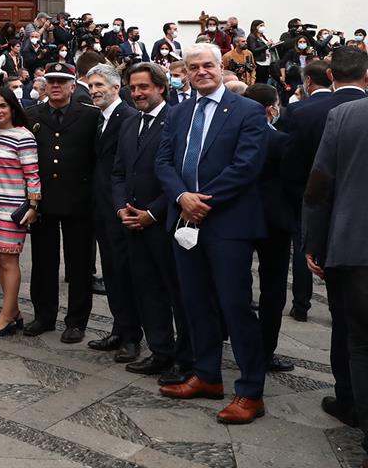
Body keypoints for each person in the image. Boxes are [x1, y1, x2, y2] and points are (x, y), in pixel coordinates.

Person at [155, 43, 269, 424]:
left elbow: (247, 165)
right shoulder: (179, 111)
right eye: (193, 67)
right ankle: (206, 376)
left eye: (208, 65)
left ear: (221, 68)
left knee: (234, 307)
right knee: (195, 302)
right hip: (185, 221)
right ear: (184, 73)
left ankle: (251, 391)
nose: (201, 72)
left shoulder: (247, 110)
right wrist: (182, 196)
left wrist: (204, 201)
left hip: (228, 224)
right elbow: (164, 161)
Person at [111, 62, 193, 385]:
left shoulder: (178, 121)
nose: (138, 93)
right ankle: (160, 350)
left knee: (177, 293)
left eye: (144, 87)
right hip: (132, 222)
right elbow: (118, 172)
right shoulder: (130, 124)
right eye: (133, 88)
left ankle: (185, 357)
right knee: (147, 290)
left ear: (161, 88)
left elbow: (179, 174)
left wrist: (153, 213)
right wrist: (121, 209)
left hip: (164, 223)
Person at [280, 47, 368, 325]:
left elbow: (298, 169)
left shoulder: (304, 111)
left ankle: (301, 303)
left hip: (328, 217)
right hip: (351, 221)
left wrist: (309, 226)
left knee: (349, 329)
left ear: (330, 74)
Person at [304, 88, 368, 446]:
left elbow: (319, 184)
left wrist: (314, 239)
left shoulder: (346, 115)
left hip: (356, 246)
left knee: (361, 342)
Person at [23, 62, 99, 343]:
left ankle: (76, 322)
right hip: (43, 201)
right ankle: (44, 316)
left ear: (73, 85)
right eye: (51, 81)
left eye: (62, 81)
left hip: (79, 201)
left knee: (79, 266)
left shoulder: (90, 116)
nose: (56, 86)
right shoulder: (32, 115)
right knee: (43, 263)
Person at [84, 64, 141, 362]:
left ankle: (132, 336)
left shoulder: (129, 118)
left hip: (121, 210)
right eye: (91, 85)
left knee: (125, 274)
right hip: (102, 210)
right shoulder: (99, 118)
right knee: (112, 274)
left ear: (116, 88)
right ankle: (119, 328)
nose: (93, 90)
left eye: (99, 85)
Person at [242, 83, 297, 374]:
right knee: (273, 289)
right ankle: (264, 351)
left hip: (238, 218)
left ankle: (238, 342)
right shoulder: (281, 141)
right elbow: (291, 184)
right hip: (275, 222)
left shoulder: (232, 137)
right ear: (271, 108)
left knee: (235, 285)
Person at [0, 86, 39, 335]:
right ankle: (13, 311)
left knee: (9, 260)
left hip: (11, 209)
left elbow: (33, 175)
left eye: (3, 106)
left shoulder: (23, 136)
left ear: (13, 108)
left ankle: (6, 316)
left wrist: (33, 206)